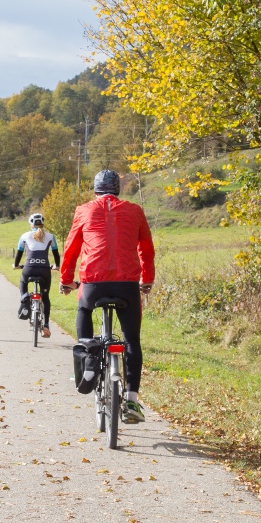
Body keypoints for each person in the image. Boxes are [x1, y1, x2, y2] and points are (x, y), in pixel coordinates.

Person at [60, 169, 155, 423]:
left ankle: (89, 355)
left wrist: (66, 280)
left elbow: (71, 248)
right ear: (117, 190)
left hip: (94, 283)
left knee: (83, 309)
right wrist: (147, 279)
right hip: (127, 284)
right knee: (132, 340)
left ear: (96, 190)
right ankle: (132, 400)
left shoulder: (84, 210)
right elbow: (146, 248)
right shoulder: (135, 211)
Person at [14, 213, 61, 338]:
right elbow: (56, 254)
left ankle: (25, 298)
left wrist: (16, 265)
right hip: (44, 270)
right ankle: (46, 325)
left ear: (31, 224)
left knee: (23, 281)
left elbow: (19, 254)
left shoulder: (24, 236)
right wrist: (57, 266)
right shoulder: (50, 236)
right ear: (42, 223)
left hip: (29, 269)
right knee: (45, 297)